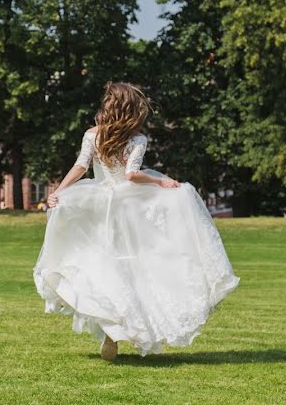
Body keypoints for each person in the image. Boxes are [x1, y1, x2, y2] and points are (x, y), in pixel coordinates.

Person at [33, 82, 240, 361]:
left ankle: (111, 329)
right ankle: (127, 326)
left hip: (98, 201)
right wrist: (161, 181)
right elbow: (131, 175)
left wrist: (59, 191)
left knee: (100, 261)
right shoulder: (137, 139)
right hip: (129, 205)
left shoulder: (92, 135)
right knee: (137, 264)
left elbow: (81, 166)